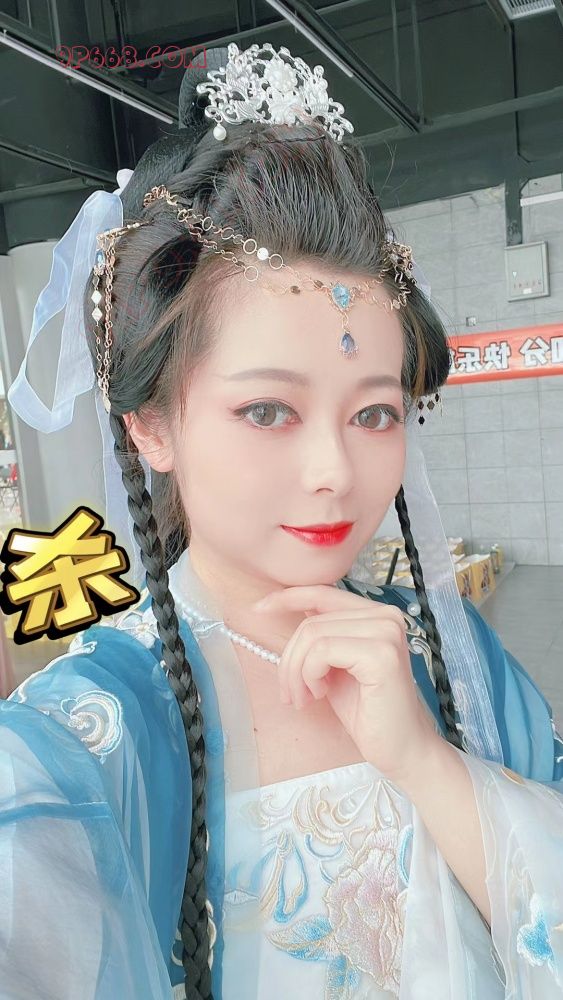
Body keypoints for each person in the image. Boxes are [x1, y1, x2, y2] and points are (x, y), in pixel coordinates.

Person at [2, 41, 563, 1000]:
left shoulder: (447, 648)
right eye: (267, 410)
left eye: (374, 413)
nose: (333, 472)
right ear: (149, 426)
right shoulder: (79, 738)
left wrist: (425, 762)